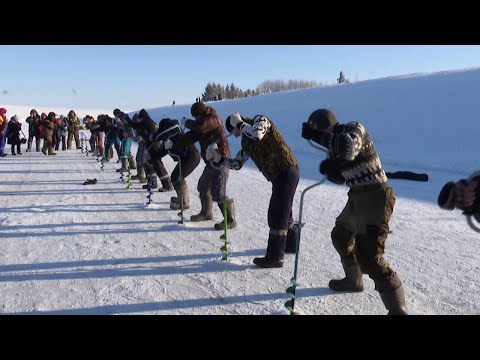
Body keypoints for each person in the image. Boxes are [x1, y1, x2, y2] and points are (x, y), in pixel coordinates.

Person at [301, 108, 407, 315]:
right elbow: (343, 175)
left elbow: (348, 148)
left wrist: (315, 135)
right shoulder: (334, 146)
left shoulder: (354, 128)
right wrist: (332, 171)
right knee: (340, 236)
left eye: (322, 134)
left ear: (326, 126)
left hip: (376, 196)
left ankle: (398, 310)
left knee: (370, 256)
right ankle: (353, 280)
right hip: (357, 197)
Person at [212, 112, 299, 268]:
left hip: (287, 170)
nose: (237, 135)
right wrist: (220, 159)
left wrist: (239, 124)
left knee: (277, 213)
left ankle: (275, 257)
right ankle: (291, 244)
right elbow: (237, 164)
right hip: (279, 176)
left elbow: (258, 134)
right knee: (284, 210)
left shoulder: (261, 120)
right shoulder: (247, 142)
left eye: (234, 131)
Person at [181, 102, 237, 230]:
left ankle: (231, 220)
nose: (196, 119)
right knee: (202, 186)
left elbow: (200, 127)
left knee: (218, 191)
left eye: (196, 117)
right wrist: (179, 141)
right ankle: (206, 213)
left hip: (221, 160)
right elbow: (194, 134)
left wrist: (186, 123)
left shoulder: (212, 119)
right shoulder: (202, 121)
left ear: (201, 114)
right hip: (211, 161)